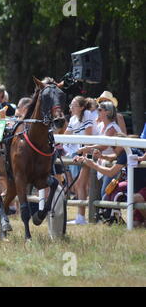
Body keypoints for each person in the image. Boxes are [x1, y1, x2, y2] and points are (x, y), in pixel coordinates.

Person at [64, 96, 94, 225]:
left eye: (74, 105)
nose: (71, 107)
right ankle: (81, 217)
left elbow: (88, 136)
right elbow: (66, 136)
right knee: (79, 185)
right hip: (76, 154)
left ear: (81, 107)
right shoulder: (72, 119)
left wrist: (81, 152)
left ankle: (83, 217)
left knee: (82, 184)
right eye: (71, 105)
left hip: (88, 154)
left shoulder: (87, 115)